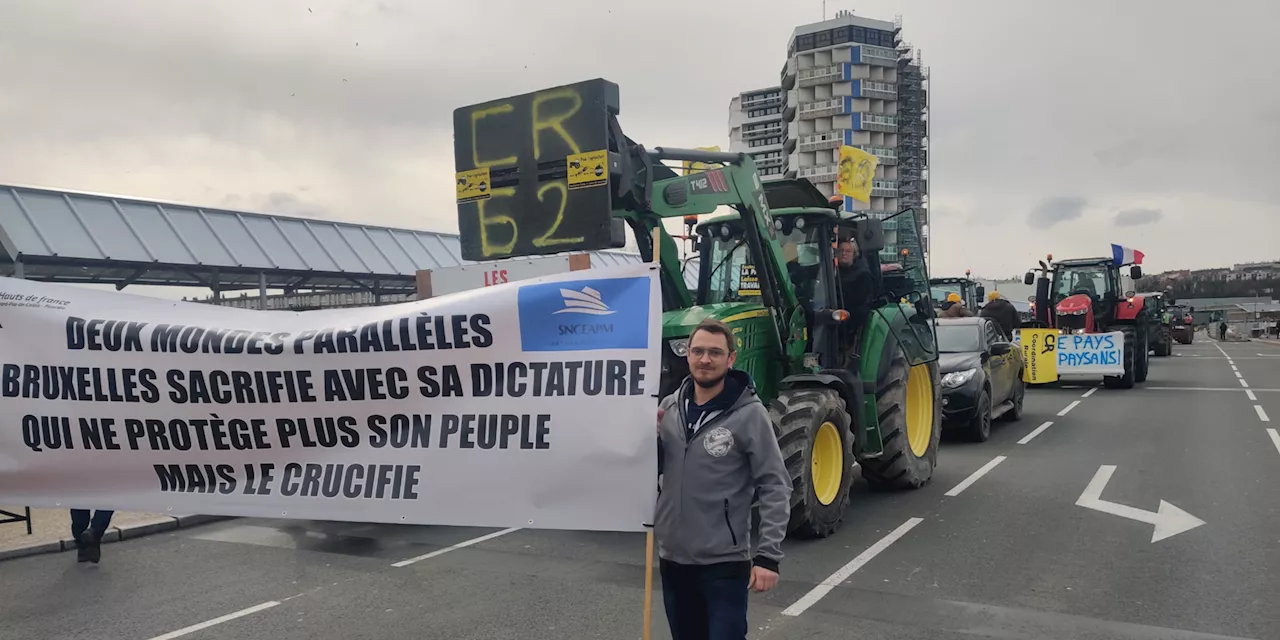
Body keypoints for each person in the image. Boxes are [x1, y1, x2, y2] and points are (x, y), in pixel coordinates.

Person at [654, 318, 791, 640]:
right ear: (686, 354)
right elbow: (658, 469)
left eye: (715, 353)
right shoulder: (668, 408)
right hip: (672, 557)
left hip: (723, 562)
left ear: (731, 359)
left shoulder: (749, 414)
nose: (705, 359)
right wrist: (649, 439)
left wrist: (768, 557)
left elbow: (775, 483)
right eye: (698, 351)